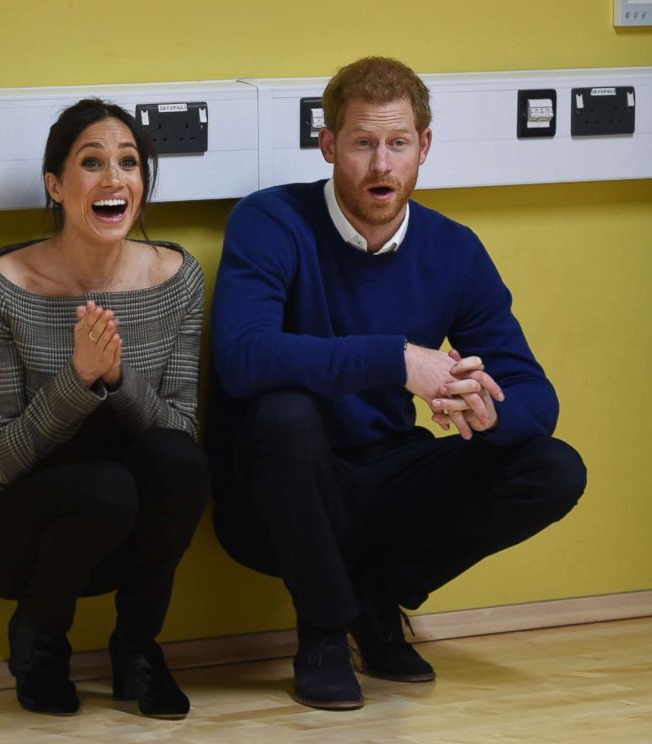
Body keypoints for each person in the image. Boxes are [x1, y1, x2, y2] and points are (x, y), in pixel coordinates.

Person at [208, 57, 587, 711]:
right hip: (274, 497)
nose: (381, 165)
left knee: (553, 467)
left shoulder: (453, 250)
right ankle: (324, 632)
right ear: (328, 145)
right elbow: (243, 356)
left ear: (424, 148)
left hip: (384, 479)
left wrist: (489, 412)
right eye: (362, 143)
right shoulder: (270, 221)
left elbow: (534, 393)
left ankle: (375, 597)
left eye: (398, 143)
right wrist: (398, 360)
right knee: (285, 415)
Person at [0, 98, 208, 719]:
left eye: (128, 163)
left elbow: (184, 434)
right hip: (2, 520)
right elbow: (2, 457)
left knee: (178, 461)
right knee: (105, 486)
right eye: (92, 162)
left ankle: (137, 651)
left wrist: (116, 376)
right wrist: (79, 377)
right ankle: (39, 642)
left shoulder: (178, 278)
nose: (114, 179)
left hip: (118, 521)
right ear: (56, 186)